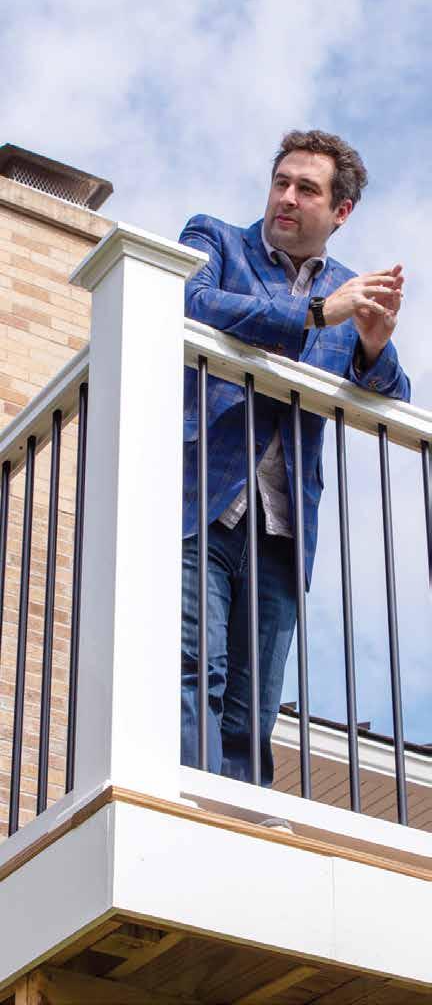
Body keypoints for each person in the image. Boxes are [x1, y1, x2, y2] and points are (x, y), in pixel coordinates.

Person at [179, 129, 410, 786]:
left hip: (281, 532)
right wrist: (312, 313)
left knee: (252, 705)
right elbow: (191, 301)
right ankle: (188, 811)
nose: (286, 197)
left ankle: (236, 822)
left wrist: (373, 345)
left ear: (341, 211)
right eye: (281, 182)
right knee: (194, 669)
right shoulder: (216, 240)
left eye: (306, 189)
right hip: (201, 503)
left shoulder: (348, 290)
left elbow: (391, 393)